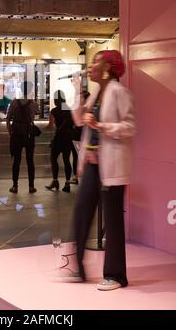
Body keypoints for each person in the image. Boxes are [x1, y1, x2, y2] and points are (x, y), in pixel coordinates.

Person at [64, 50, 136, 291]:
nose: (91, 65)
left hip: (112, 166)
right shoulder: (95, 93)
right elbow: (78, 120)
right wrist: (76, 91)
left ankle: (115, 276)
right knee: (81, 212)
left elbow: (129, 127)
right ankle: (78, 269)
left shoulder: (119, 92)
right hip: (93, 164)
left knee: (113, 221)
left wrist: (102, 126)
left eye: (96, 61)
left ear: (109, 67)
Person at [7, 81, 39, 194]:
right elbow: (36, 114)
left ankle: (15, 186)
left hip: (16, 135)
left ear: (20, 89)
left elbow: (8, 118)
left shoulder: (14, 103)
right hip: (29, 135)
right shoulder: (34, 103)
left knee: (16, 161)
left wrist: (10, 132)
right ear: (30, 90)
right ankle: (31, 186)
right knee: (30, 161)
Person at [45, 91, 74, 193]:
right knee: (66, 160)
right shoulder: (70, 110)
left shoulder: (54, 111)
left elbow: (50, 126)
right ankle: (67, 183)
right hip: (68, 138)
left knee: (53, 158)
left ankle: (55, 181)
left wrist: (43, 129)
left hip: (59, 138)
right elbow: (73, 124)